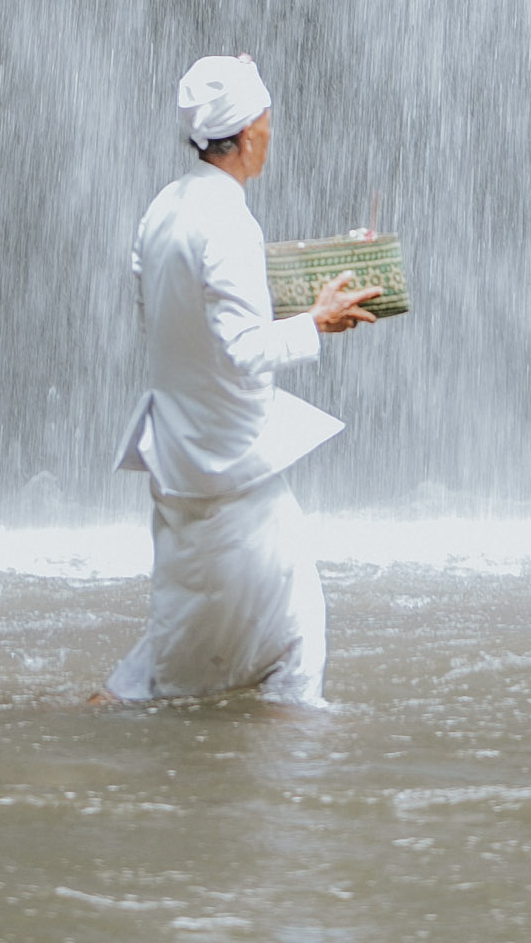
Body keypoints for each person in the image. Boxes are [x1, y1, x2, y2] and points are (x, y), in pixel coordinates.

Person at [102, 52, 378, 711]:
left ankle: (121, 722)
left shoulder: (164, 207)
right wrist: (316, 321)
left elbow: (179, 320)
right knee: (298, 633)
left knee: (176, 649)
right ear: (249, 132)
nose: (273, 134)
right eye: (268, 121)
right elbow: (245, 347)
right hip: (232, 466)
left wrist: (298, 299)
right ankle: (289, 785)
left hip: (183, 453)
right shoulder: (227, 220)